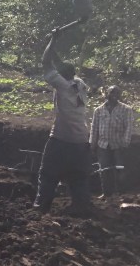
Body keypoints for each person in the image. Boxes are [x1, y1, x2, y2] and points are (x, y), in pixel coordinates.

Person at [34, 28, 91, 214]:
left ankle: (41, 208)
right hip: (81, 141)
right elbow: (60, 65)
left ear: (60, 75)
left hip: (61, 139)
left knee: (48, 174)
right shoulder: (80, 84)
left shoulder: (62, 86)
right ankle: (82, 208)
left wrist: (52, 40)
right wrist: (53, 40)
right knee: (79, 177)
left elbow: (46, 62)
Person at [90, 85, 134, 199]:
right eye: (112, 92)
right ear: (107, 94)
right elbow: (94, 129)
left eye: (117, 93)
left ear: (120, 95)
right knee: (104, 170)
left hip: (118, 145)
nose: (114, 95)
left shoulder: (126, 109)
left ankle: (119, 193)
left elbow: (129, 127)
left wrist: (125, 143)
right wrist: (92, 144)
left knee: (119, 169)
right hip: (103, 145)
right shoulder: (98, 110)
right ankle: (106, 193)